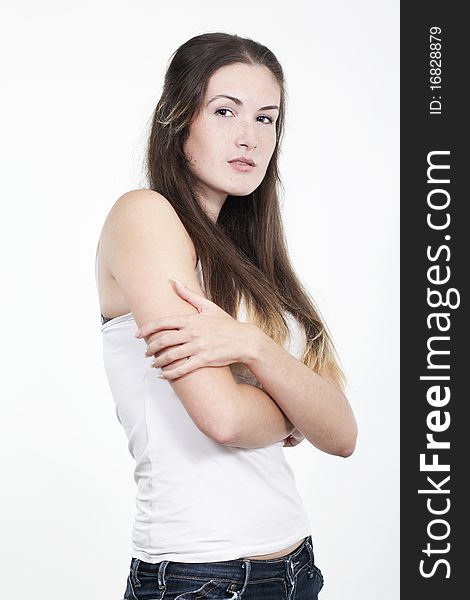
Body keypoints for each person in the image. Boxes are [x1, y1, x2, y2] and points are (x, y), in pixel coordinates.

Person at [95, 32, 357, 600]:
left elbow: (341, 433)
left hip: (295, 568)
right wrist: (297, 409)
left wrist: (254, 348)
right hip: (200, 577)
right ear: (177, 118)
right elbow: (224, 420)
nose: (250, 136)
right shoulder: (145, 216)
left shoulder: (252, 260)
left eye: (267, 119)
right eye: (225, 111)